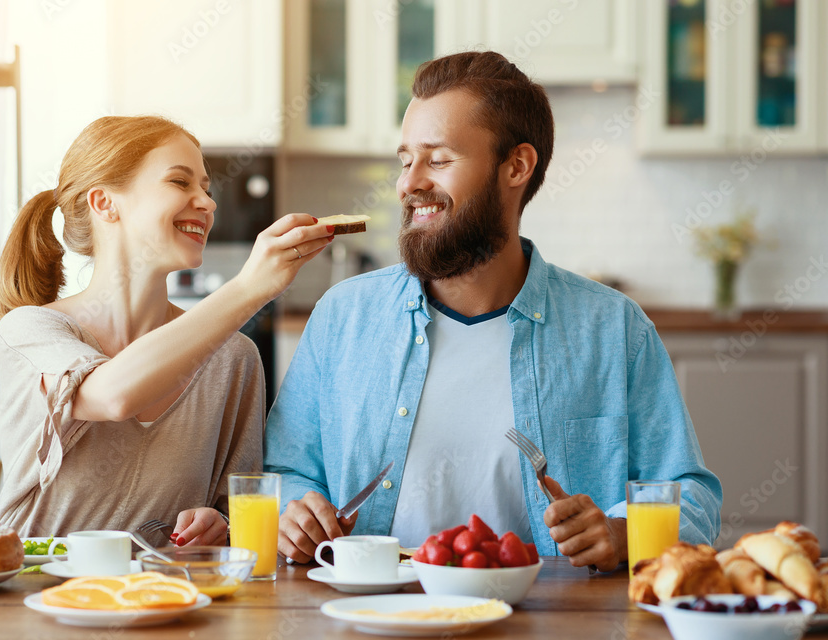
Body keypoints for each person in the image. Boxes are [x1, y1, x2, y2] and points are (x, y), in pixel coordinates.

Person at [265, 51, 722, 572]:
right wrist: (293, 512)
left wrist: (624, 533)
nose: (408, 183)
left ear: (516, 167)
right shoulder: (342, 318)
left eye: (437, 159)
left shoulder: (613, 329)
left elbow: (692, 496)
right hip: (374, 616)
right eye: (404, 159)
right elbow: (283, 472)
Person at [0, 115, 333, 543]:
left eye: (206, 189)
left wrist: (221, 526)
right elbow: (112, 394)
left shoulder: (232, 359)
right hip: (36, 596)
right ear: (104, 203)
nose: (207, 203)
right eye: (180, 182)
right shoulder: (32, 331)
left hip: (169, 600)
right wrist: (249, 288)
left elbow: (242, 511)